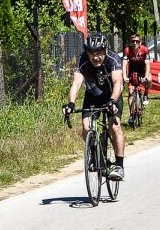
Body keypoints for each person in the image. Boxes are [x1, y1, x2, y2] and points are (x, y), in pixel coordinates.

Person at [63, 32, 126, 181]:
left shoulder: (113, 58)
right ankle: (94, 155)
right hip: (92, 96)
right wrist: (71, 103)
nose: (95, 57)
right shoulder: (82, 60)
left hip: (112, 96)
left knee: (114, 127)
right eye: (91, 53)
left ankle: (119, 165)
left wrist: (113, 101)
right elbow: (77, 83)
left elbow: (118, 82)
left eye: (99, 53)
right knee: (86, 126)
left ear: (105, 50)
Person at [122, 33, 152, 126]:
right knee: (131, 92)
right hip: (132, 70)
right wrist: (124, 77)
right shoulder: (127, 50)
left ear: (140, 42)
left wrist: (146, 76)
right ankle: (131, 115)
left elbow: (147, 65)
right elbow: (124, 65)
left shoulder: (145, 50)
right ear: (130, 42)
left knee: (150, 79)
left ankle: (146, 94)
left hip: (142, 70)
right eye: (133, 41)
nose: (135, 43)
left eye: (137, 41)